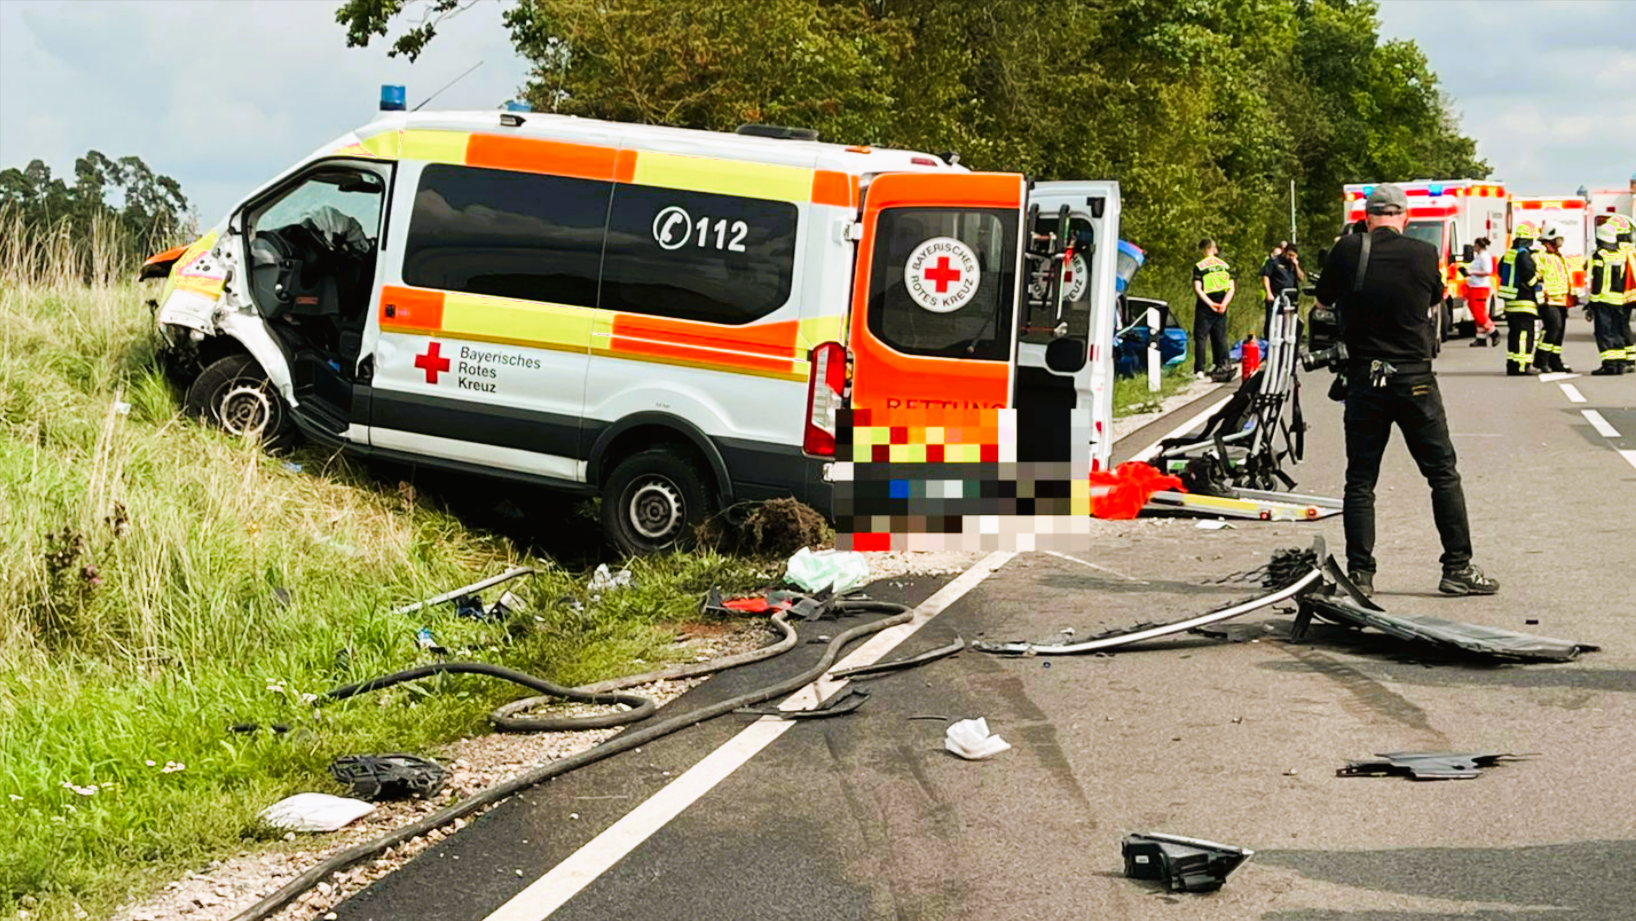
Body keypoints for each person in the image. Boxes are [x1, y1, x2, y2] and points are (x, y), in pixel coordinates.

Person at [1313, 183, 1499, 598]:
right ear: (1406, 217)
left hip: (1366, 376)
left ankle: (1360, 575)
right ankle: (1457, 568)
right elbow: (1434, 298)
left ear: (1366, 218)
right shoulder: (1424, 253)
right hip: (1414, 377)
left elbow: (1323, 302)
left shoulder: (1348, 249)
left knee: (1360, 480)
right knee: (1442, 473)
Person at [1496, 222, 1542, 375]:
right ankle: (1522, 365)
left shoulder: (1509, 254)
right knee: (1525, 335)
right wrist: (1537, 283)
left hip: (1511, 302)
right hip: (1524, 301)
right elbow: (1529, 276)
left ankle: (1512, 364)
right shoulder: (1524, 255)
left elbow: (1500, 271)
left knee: (1514, 334)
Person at [1586, 222, 1629, 375]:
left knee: (1604, 332)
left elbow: (1597, 279)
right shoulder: (1620, 255)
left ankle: (1609, 365)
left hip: (1603, 299)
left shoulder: (1600, 255)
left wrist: (1592, 302)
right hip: (1617, 300)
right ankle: (1619, 363)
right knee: (1617, 332)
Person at [1192, 238, 1235, 379]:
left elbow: (1198, 288)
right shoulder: (1224, 265)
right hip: (1222, 300)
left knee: (1201, 336)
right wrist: (1224, 304)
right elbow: (1231, 288)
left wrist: (1210, 304)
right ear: (1214, 249)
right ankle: (1222, 364)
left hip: (1206, 303)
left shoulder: (1200, 266)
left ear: (1203, 249)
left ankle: (1199, 369)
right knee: (1220, 335)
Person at [1533, 226, 1573, 373]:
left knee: (1559, 331)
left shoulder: (1557, 255)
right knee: (1553, 327)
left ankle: (1554, 360)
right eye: (1559, 238)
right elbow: (1537, 277)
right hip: (1548, 299)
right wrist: (1541, 298)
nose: (1561, 241)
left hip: (1561, 299)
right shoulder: (1540, 255)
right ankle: (1541, 360)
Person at [1260, 242, 1306, 339]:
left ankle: (1286, 340)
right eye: (1289, 255)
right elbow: (1265, 276)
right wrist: (1268, 292)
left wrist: (1296, 265)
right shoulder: (1274, 261)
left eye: (1293, 255)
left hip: (1291, 298)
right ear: (1284, 252)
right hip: (1276, 296)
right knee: (1271, 322)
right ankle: (1269, 341)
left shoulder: (1294, 264)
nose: (1291, 257)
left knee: (1289, 324)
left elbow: (1301, 278)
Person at [1463, 237, 1500, 346]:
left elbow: (1488, 271)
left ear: (1478, 246)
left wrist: (1472, 272)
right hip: (1474, 287)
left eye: (1475, 245)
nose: (1474, 248)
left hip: (1480, 288)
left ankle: (1493, 331)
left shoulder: (1484, 257)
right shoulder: (1479, 257)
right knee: (1477, 312)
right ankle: (1481, 337)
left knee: (1479, 313)